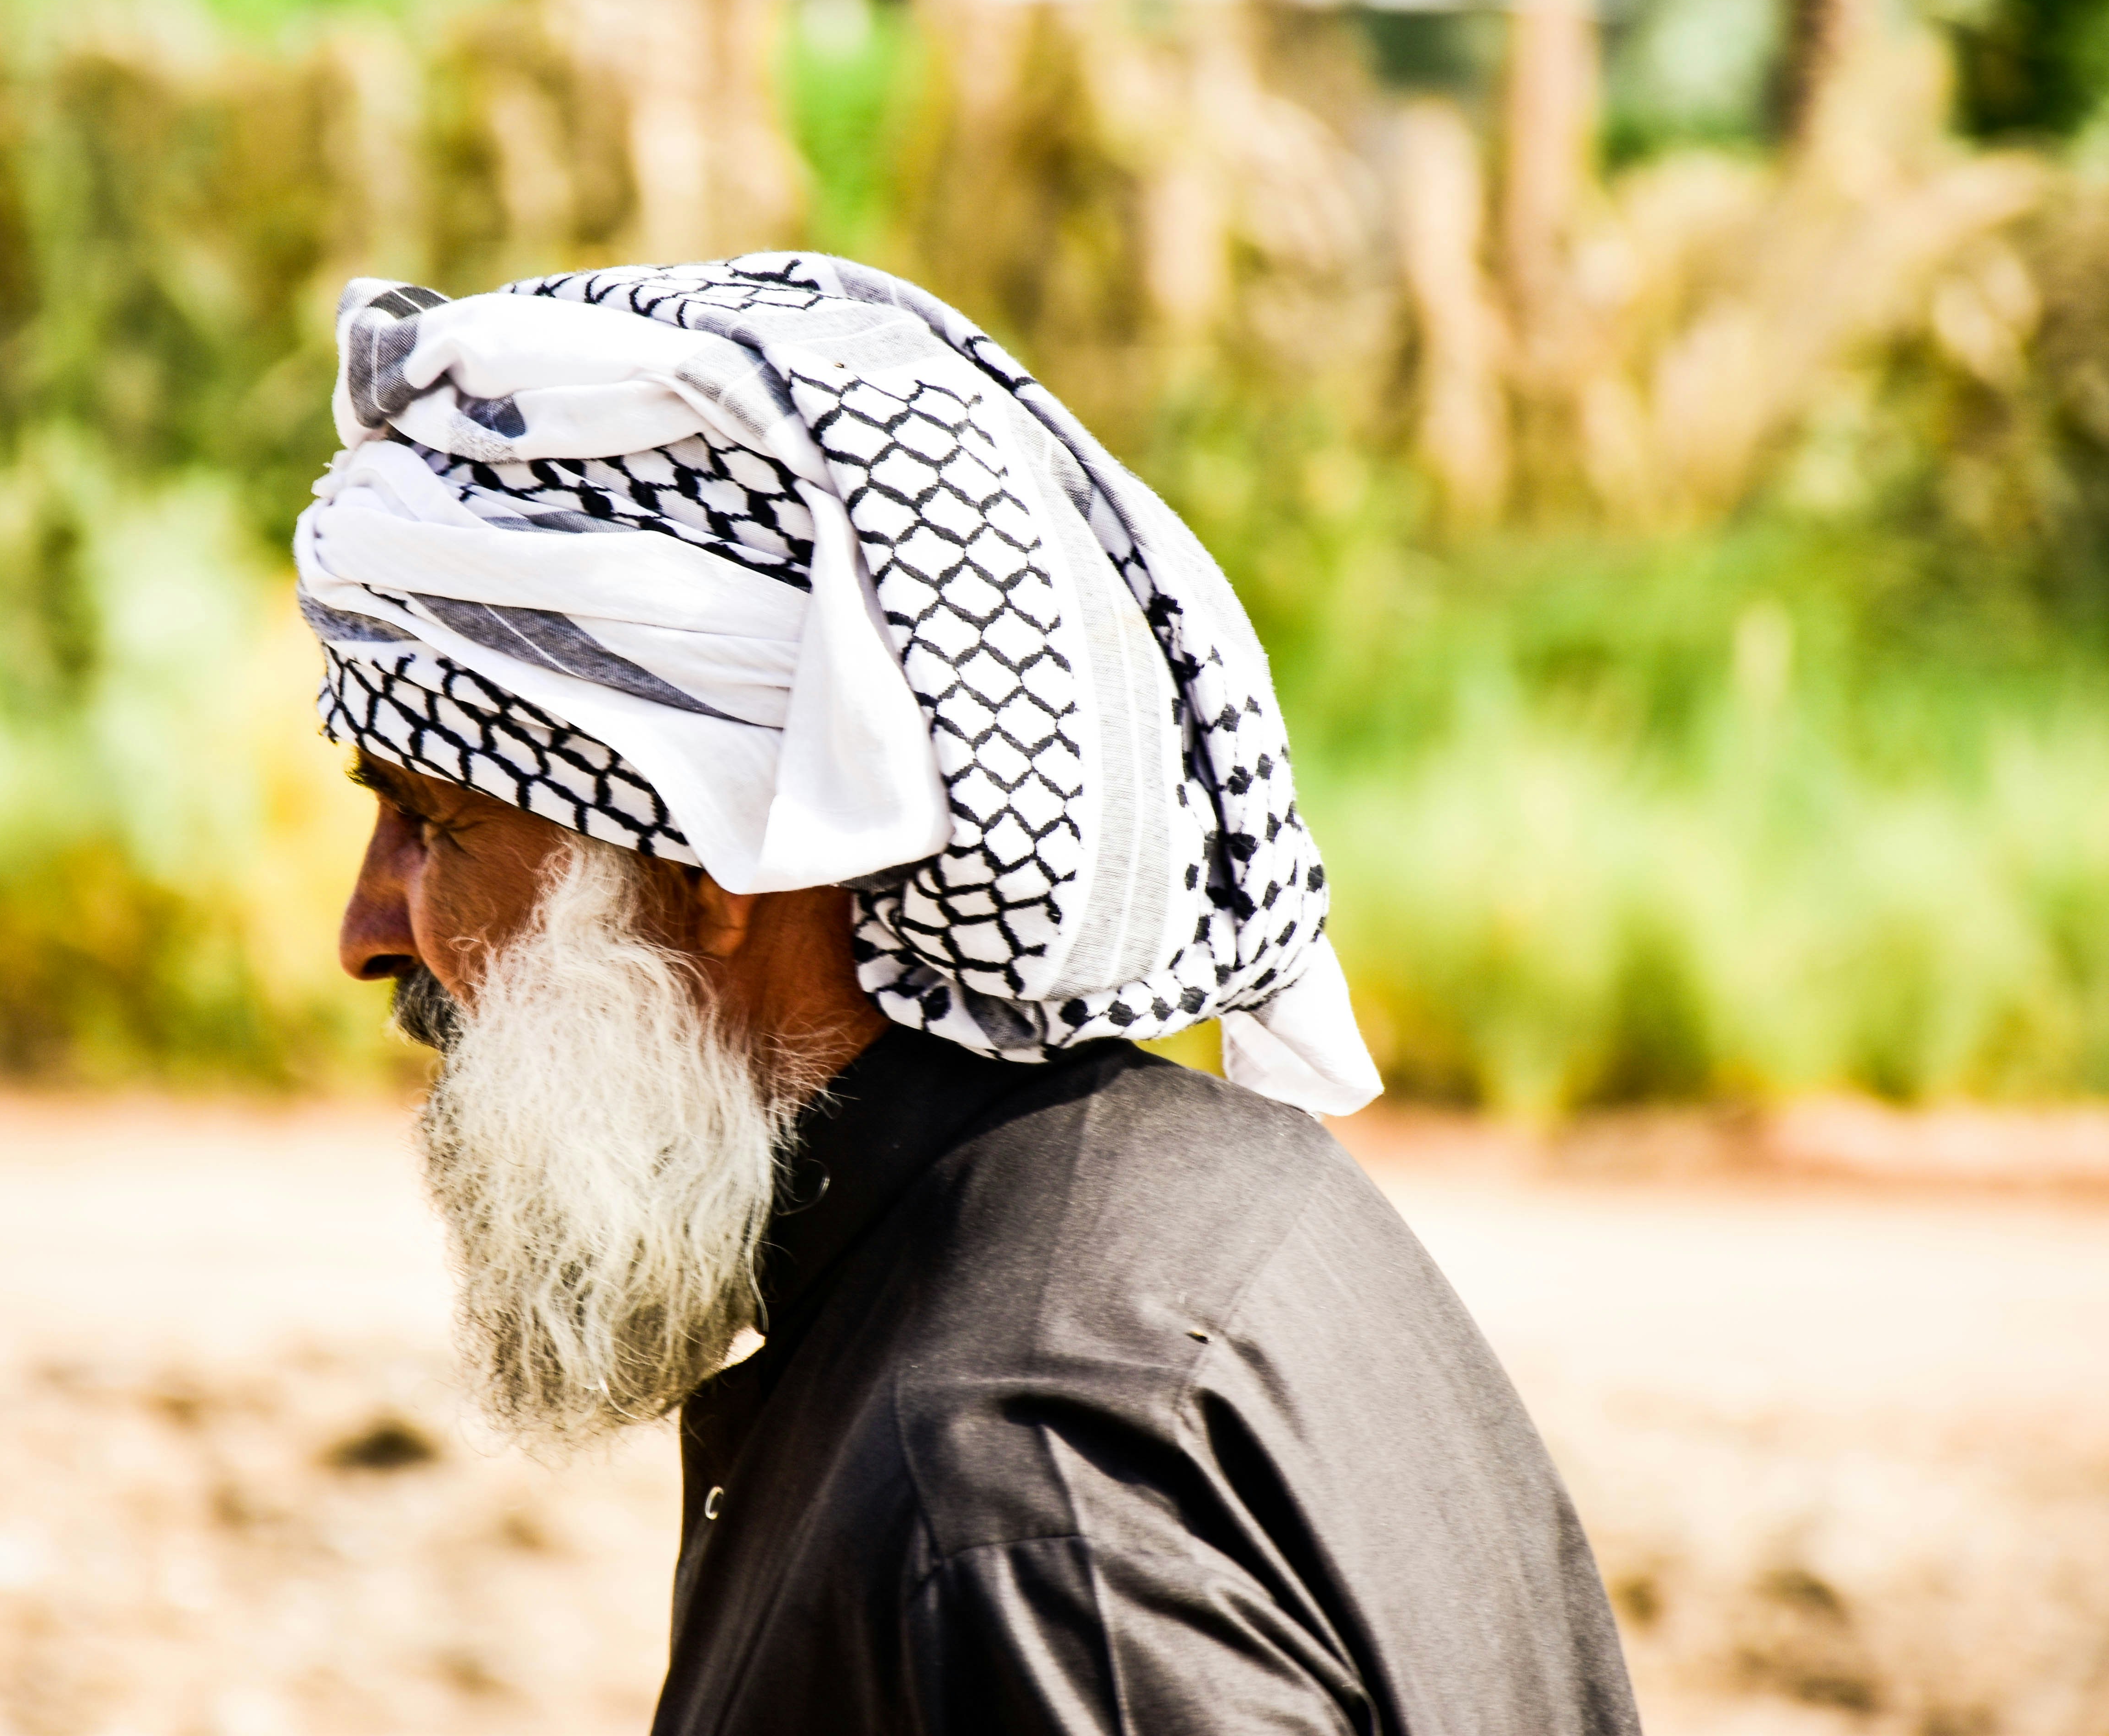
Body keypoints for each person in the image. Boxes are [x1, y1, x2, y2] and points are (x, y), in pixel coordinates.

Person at [304, 255, 1640, 1735]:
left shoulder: (1013, 1498)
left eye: (436, 823)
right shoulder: (1191, 1202)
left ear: (710, 866)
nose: (371, 929)